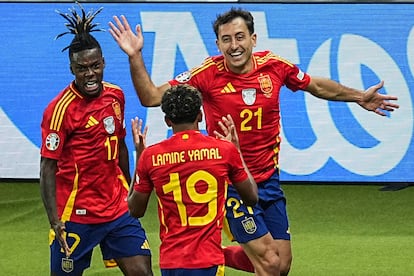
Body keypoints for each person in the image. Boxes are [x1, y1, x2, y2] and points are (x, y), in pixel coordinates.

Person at [108, 7, 399, 276]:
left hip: (268, 179)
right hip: (233, 181)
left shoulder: (275, 66)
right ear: (218, 44)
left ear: (253, 38)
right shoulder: (206, 73)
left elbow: (316, 85)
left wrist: (359, 96)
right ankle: (208, 255)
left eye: (239, 37)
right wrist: (134, 55)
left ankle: (213, 254)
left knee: (281, 264)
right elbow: (151, 97)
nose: (234, 45)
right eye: (226, 40)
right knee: (269, 264)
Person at [39, 4, 153, 276]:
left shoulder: (116, 95)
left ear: (103, 63)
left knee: (144, 273)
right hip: (75, 215)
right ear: (72, 69)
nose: (89, 74)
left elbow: (120, 146)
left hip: (117, 208)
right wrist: (55, 221)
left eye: (94, 66)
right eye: (82, 68)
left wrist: (129, 192)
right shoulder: (59, 110)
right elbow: (47, 169)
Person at [127, 84, 260, 276]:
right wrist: (237, 152)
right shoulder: (224, 151)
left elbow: (135, 210)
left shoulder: (151, 157)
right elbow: (252, 197)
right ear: (200, 116)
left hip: (172, 262)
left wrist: (140, 158)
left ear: (167, 121)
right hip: (209, 260)